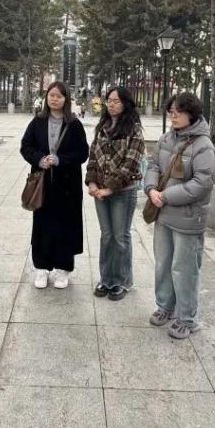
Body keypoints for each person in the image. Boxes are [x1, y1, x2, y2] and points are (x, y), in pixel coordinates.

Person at [145, 92, 215, 339]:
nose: (173, 115)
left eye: (179, 111)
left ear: (192, 114)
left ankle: (187, 318)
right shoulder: (166, 138)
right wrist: (151, 189)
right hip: (163, 213)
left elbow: (202, 183)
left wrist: (166, 196)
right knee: (163, 263)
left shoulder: (203, 145)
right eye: (171, 111)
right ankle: (165, 306)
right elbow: (153, 166)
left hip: (188, 217)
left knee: (184, 269)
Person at [20, 81, 90, 289]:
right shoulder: (38, 121)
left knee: (65, 225)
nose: (55, 99)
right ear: (46, 97)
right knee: (42, 224)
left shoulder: (74, 124)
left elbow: (82, 153)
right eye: (51, 95)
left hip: (67, 186)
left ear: (66, 99)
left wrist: (61, 160)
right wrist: (40, 159)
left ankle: (63, 268)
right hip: (43, 183)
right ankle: (41, 268)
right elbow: (26, 146)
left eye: (59, 96)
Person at [85, 86, 145, 300]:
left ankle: (122, 281)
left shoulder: (134, 129)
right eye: (109, 100)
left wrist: (110, 188)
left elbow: (131, 162)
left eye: (116, 101)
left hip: (123, 192)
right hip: (100, 192)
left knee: (120, 237)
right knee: (107, 236)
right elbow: (93, 156)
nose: (111, 104)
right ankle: (106, 279)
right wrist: (92, 183)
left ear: (125, 103)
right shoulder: (102, 127)